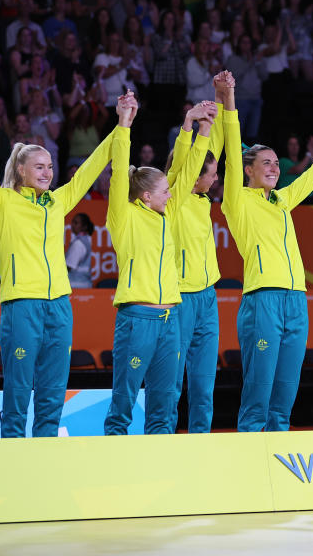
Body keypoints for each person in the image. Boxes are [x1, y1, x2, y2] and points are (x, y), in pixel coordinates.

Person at [0, 87, 115, 438]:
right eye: (38, 166)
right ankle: (12, 450)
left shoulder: (57, 201)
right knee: (19, 389)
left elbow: (88, 170)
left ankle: (46, 448)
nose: (47, 172)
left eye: (50, 166)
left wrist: (121, 127)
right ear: (20, 170)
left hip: (60, 306)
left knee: (53, 390)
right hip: (22, 304)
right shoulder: (3, 201)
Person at [220, 71, 313, 432]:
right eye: (266, 163)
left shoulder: (282, 199)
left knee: (286, 394)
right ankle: (249, 462)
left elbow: (312, 174)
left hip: (296, 301)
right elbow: (231, 147)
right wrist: (228, 99)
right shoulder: (237, 199)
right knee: (258, 393)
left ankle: (277, 465)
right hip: (263, 300)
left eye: (276, 163)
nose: (274, 168)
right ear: (248, 170)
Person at [104, 93, 215, 435]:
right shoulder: (123, 217)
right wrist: (124, 124)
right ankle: (115, 455)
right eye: (165, 191)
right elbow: (120, 170)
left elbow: (189, 167)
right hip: (138, 318)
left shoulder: (165, 215)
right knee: (123, 400)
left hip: (171, 318)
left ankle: (161, 471)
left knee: (164, 404)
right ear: (146, 196)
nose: (173, 194)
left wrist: (200, 130)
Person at [165, 74, 228, 434]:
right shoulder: (175, 195)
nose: (215, 178)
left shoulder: (203, 201)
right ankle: (167, 441)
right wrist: (190, 126)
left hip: (208, 297)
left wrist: (220, 101)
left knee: (204, 384)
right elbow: (182, 166)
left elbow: (212, 149)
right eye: (211, 173)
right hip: (181, 298)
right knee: (173, 382)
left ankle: (201, 440)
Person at [66, 212, 94, 289]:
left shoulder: (78, 243)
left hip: (76, 286)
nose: (72, 225)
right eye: (72, 222)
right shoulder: (85, 240)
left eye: (76, 223)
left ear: (84, 227)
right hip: (83, 285)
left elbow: (69, 267)